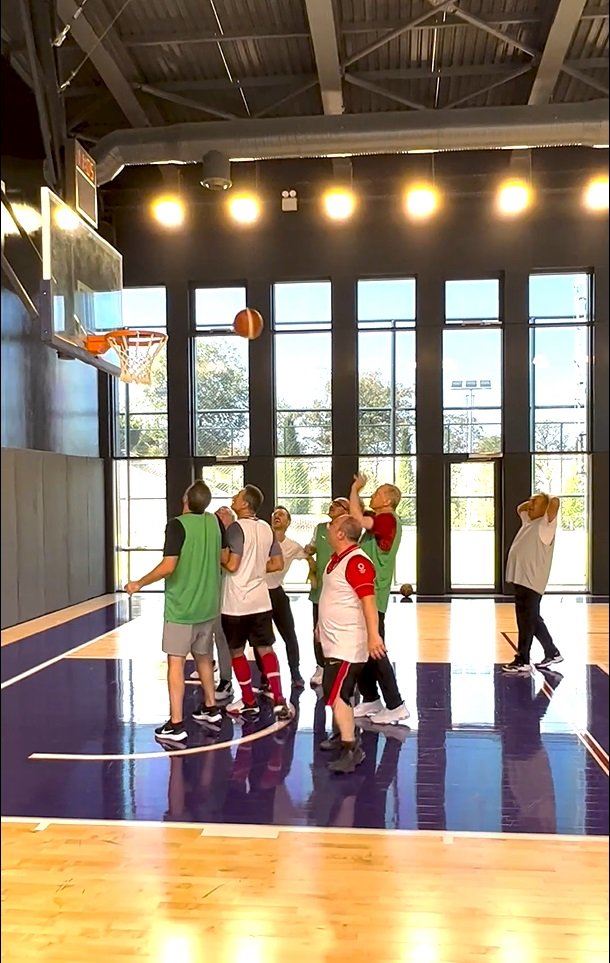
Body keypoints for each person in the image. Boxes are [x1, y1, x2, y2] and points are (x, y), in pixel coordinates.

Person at [124, 480, 223, 743]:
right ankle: (211, 708)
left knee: (176, 663)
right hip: (208, 605)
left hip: (182, 607)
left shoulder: (177, 525)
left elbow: (169, 566)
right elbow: (223, 557)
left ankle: (176, 724)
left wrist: (138, 583)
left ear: (186, 499)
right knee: (204, 657)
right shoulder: (214, 522)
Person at [316, 514, 386, 774]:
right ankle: (342, 733)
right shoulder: (336, 559)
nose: (328, 527)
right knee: (336, 691)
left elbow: (369, 602)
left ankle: (351, 748)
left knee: (337, 694)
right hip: (334, 641)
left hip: (348, 643)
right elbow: (333, 596)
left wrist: (374, 635)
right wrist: (320, 625)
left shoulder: (357, 562)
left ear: (341, 534)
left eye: (333, 525)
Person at [221, 485, 294, 721]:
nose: (233, 497)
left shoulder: (235, 528)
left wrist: (219, 555)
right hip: (261, 601)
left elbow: (232, 565)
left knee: (236, 651)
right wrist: (256, 569)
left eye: (237, 495)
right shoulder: (265, 528)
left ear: (245, 504)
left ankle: (248, 701)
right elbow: (277, 563)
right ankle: (279, 698)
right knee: (266, 649)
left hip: (236, 603)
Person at [348, 474, 410, 725]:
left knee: (375, 649)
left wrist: (355, 488)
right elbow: (356, 513)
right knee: (362, 647)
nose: (373, 494)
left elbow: (356, 518)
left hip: (372, 595)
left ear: (388, 500)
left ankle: (396, 704)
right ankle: (371, 697)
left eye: (377, 492)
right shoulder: (380, 519)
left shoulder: (386, 519)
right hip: (366, 594)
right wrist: (355, 493)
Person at [502, 493, 563, 674]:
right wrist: (534, 502)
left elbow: (555, 502)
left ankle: (523, 660)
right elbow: (519, 508)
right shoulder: (529, 522)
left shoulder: (546, 525)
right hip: (522, 579)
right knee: (532, 619)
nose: (530, 505)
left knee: (526, 621)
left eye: (534, 502)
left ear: (545, 508)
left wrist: (545, 497)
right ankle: (552, 652)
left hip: (531, 580)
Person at [189, 504, 235, 703]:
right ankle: (209, 666)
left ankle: (226, 680)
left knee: (222, 638)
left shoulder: (233, 539)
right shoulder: (209, 537)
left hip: (227, 597)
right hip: (206, 596)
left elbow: (230, 563)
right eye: (217, 513)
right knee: (203, 637)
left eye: (224, 514)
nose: (219, 516)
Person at [266, 505, 313, 688]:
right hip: (260, 593)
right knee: (263, 640)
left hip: (277, 593)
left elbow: (309, 557)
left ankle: (295, 672)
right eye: (275, 514)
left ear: (288, 522)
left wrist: (313, 574)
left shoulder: (293, 546)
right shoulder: (263, 541)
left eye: (281, 514)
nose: (277, 516)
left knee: (289, 635)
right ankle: (266, 677)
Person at [305, 497, 350, 686]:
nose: (333, 506)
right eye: (333, 503)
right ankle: (321, 666)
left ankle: (345, 668)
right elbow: (311, 548)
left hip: (341, 592)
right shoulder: (320, 528)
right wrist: (309, 554)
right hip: (320, 591)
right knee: (318, 631)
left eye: (338, 504)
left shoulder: (351, 530)